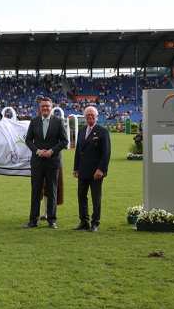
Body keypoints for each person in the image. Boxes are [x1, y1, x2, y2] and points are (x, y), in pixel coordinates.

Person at [24, 97, 68, 229]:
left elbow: (64, 141)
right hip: (37, 162)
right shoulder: (34, 121)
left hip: (52, 162)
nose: (45, 108)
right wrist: (37, 151)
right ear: (39, 107)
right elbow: (28, 140)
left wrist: (52, 151)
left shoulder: (58, 122)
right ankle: (33, 220)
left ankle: (52, 220)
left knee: (52, 191)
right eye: (43, 106)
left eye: (47, 106)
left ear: (51, 107)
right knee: (36, 191)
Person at [73, 106, 111, 232]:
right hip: (83, 170)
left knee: (96, 198)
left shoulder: (102, 131)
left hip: (96, 172)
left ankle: (95, 223)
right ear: (84, 117)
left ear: (96, 117)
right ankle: (84, 222)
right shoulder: (82, 131)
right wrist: (76, 168)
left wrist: (101, 169)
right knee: (81, 196)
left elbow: (106, 153)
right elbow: (78, 151)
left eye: (92, 115)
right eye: (88, 115)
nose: (90, 117)